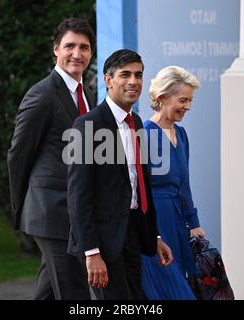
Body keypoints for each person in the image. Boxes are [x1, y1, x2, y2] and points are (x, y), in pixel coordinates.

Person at [67, 49, 173, 300]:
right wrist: (91, 252)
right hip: (103, 242)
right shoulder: (86, 125)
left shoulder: (136, 121)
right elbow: (78, 194)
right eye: (125, 74)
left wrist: (154, 235)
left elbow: (140, 186)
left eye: (138, 75)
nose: (133, 81)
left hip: (133, 235)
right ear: (108, 80)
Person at [7, 18, 95, 300]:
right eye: (70, 46)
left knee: (48, 292)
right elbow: (19, 154)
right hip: (51, 214)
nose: (77, 54)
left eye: (84, 47)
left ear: (91, 53)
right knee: (75, 294)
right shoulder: (42, 94)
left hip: (74, 213)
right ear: (56, 50)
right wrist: (21, 205)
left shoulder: (89, 95)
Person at [140, 65, 206, 300]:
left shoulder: (182, 135)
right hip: (155, 226)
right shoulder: (143, 135)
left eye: (190, 100)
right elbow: (138, 192)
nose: (188, 106)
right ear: (161, 98)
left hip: (179, 224)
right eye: (183, 100)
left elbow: (184, 185)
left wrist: (194, 223)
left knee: (185, 286)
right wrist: (152, 234)